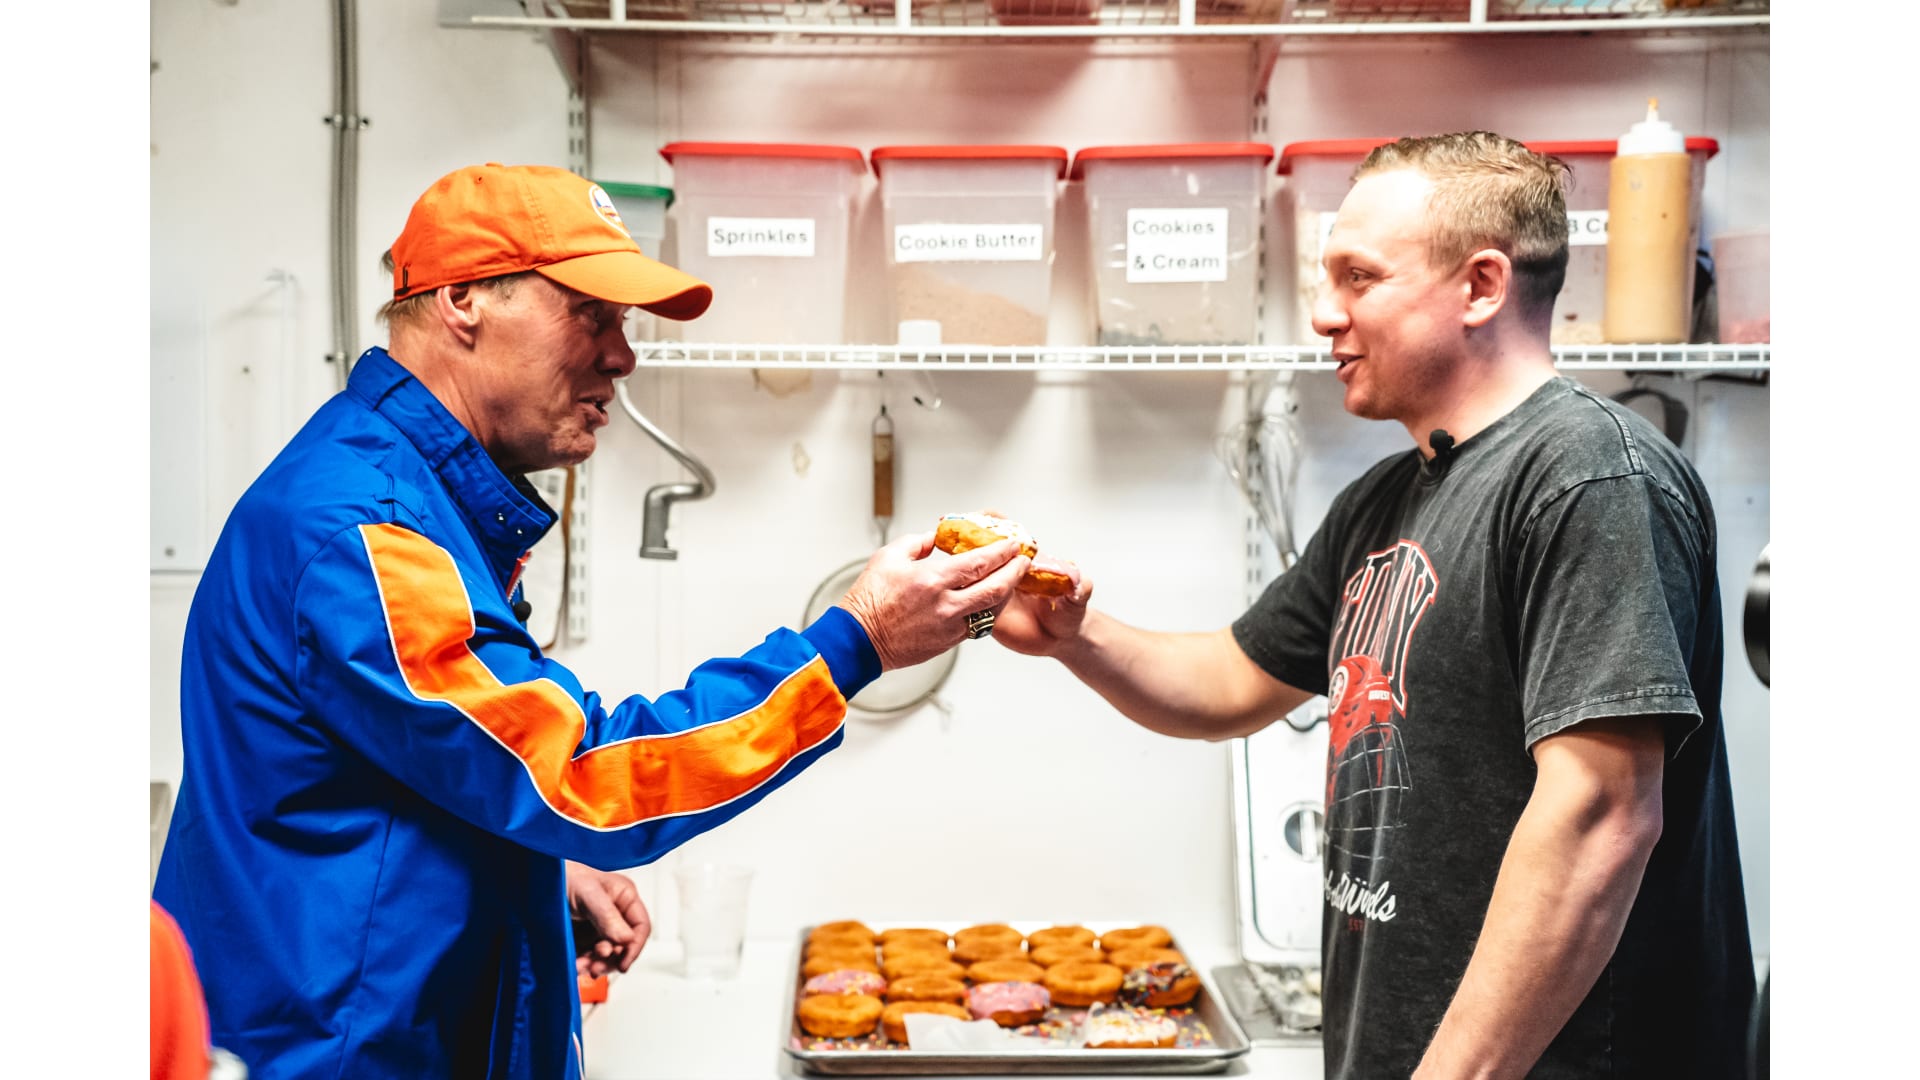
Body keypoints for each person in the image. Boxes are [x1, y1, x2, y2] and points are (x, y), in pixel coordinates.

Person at [152, 162, 1028, 1080]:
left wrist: (533, 869)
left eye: (624, 324)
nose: (623, 357)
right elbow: (575, 773)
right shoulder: (365, 532)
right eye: (591, 315)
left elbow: (422, 766)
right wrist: (858, 642)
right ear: (461, 302)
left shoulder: (408, 499)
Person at [991, 132, 1754, 1077]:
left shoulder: (1590, 478)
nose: (1323, 314)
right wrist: (1076, 636)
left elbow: (1599, 814)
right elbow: (1231, 680)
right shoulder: (1388, 500)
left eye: (1359, 278)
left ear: (1481, 287)